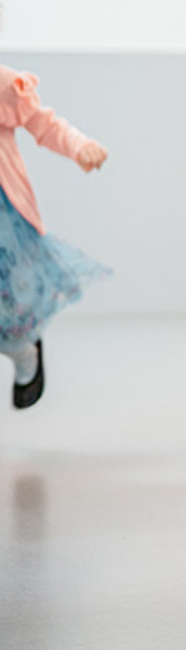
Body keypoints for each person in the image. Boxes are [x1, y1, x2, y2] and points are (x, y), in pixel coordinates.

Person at [0, 64, 110, 409]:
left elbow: (44, 124)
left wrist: (80, 146)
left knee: (7, 310)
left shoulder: (3, 84)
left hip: (3, 219)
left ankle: (22, 350)